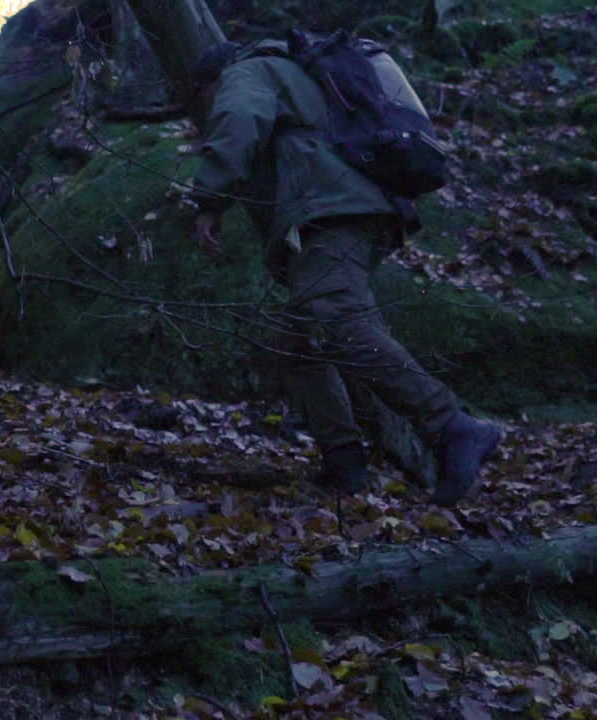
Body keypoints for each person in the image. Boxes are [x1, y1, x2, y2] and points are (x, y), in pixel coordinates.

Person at [185, 40, 501, 506]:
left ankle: (452, 426)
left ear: (213, 80)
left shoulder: (248, 72)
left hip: (339, 210)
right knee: (297, 340)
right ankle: (344, 463)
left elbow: (239, 120)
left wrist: (209, 200)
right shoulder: (294, 72)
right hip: (363, 206)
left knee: (331, 309)